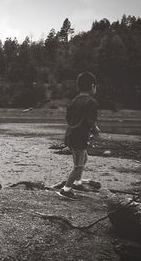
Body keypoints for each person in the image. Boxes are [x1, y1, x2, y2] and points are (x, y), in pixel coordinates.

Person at [57, 71, 101, 200]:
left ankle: (78, 182)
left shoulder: (74, 101)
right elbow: (90, 121)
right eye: (96, 87)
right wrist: (96, 130)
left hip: (71, 135)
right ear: (93, 86)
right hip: (79, 138)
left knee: (84, 157)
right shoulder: (92, 102)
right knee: (78, 166)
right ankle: (66, 189)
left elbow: (68, 118)